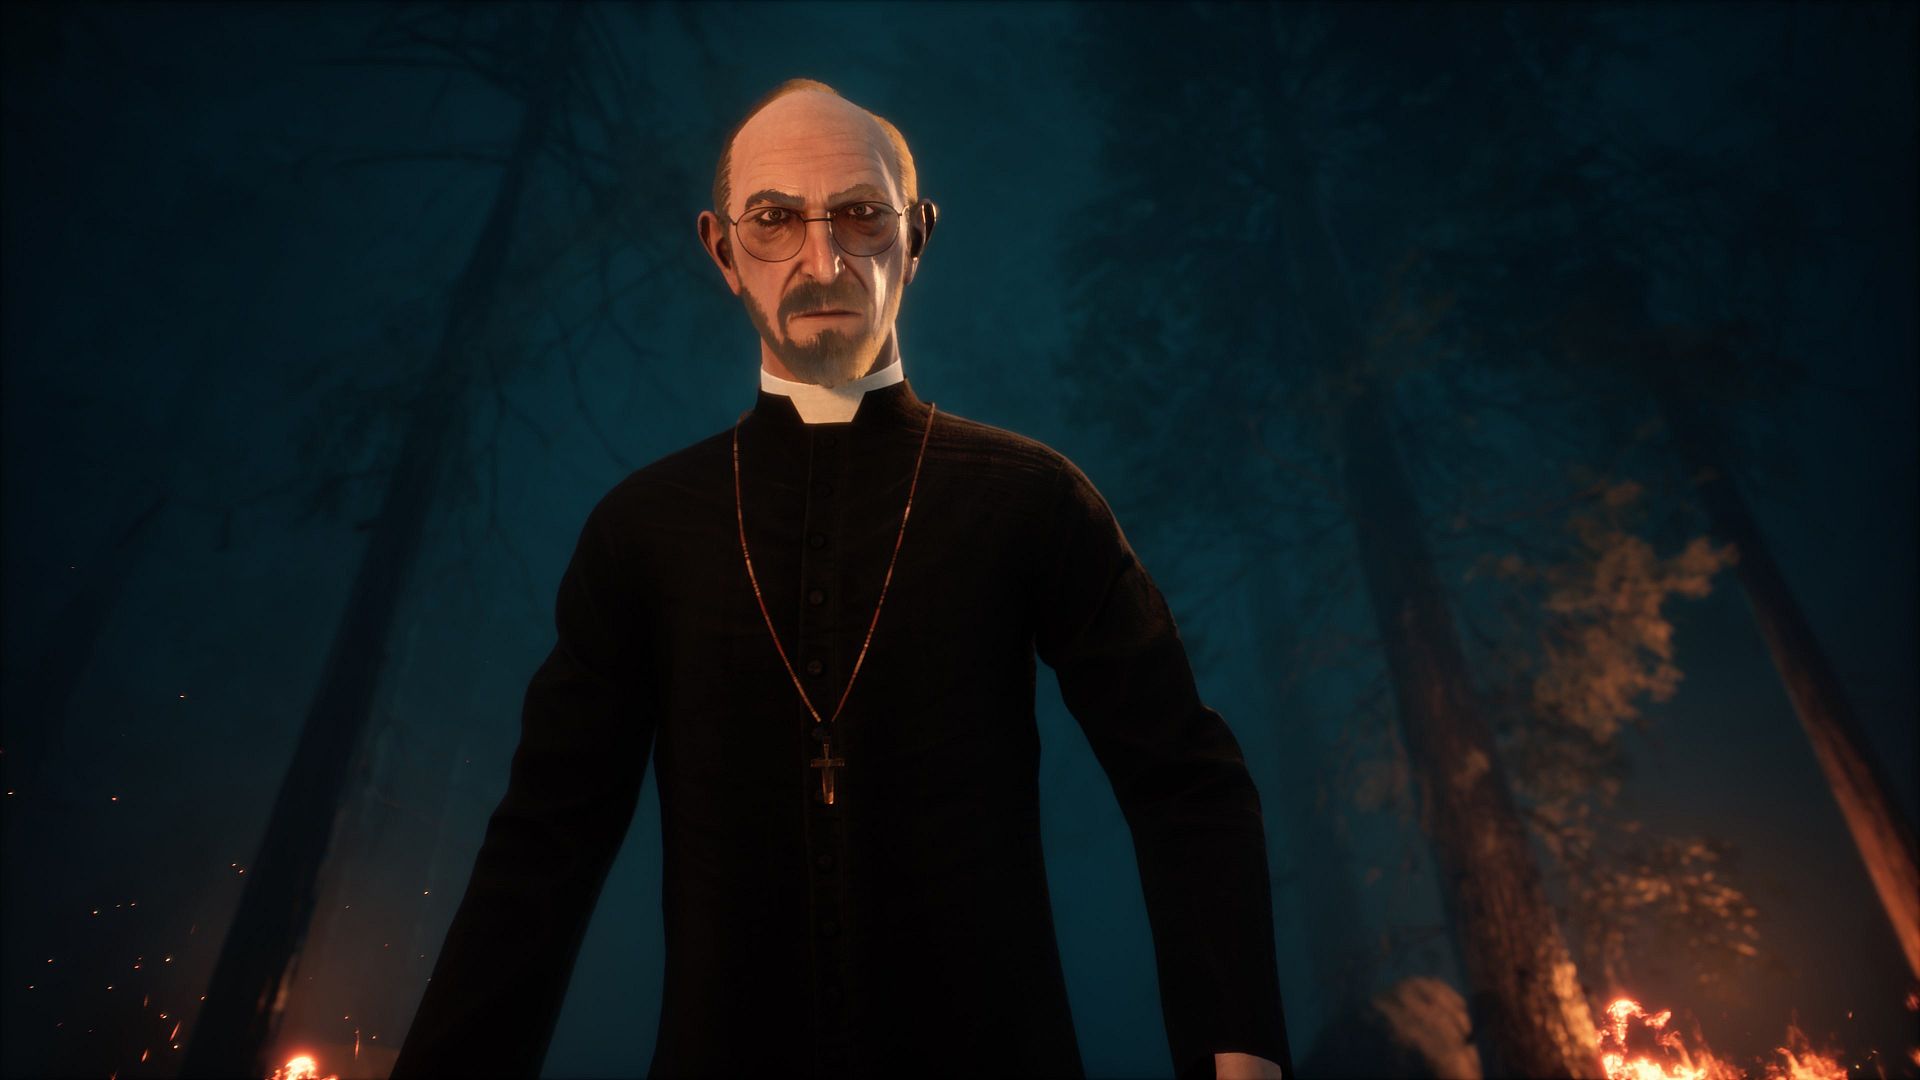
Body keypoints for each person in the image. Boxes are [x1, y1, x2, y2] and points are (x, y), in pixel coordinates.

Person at [390, 78, 1291, 1080]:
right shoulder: (642, 529)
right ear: (721, 250)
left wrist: (1241, 1057)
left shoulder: (1033, 498)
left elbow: (1184, 779)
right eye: (775, 221)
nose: (822, 262)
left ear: (918, 236)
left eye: (861, 215)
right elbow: (544, 843)